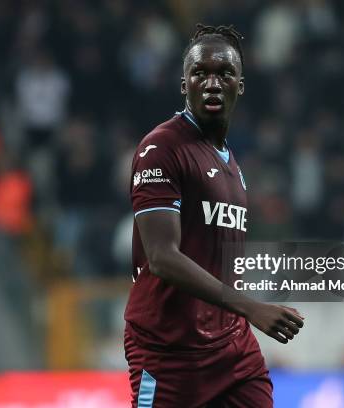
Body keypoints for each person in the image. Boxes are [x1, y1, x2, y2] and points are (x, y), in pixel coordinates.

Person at [125, 24, 305, 407]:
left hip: (232, 350)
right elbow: (161, 256)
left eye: (224, 73)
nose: (211, 83)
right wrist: (250, 306)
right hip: (168, 354)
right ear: (183, 84)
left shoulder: (231, 164)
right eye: (200, 72)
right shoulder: (161, 149)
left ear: (239, 86)